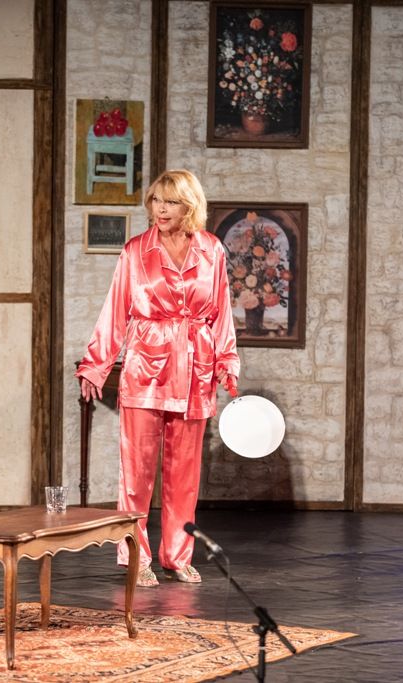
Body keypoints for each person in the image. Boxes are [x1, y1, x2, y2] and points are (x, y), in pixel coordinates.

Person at [76, 169, 239, 588]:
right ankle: (136, 556)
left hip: (195, 371)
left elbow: (221, 312)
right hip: (146, 370)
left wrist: (227, 361)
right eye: (156, 201)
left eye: (171, 202)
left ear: (190, 206)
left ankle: (177, 556)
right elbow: (115, 310)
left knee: (185, 474)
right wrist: (96, 364)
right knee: (137, 473)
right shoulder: (135, 251)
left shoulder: (212, 250)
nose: (161, 210)